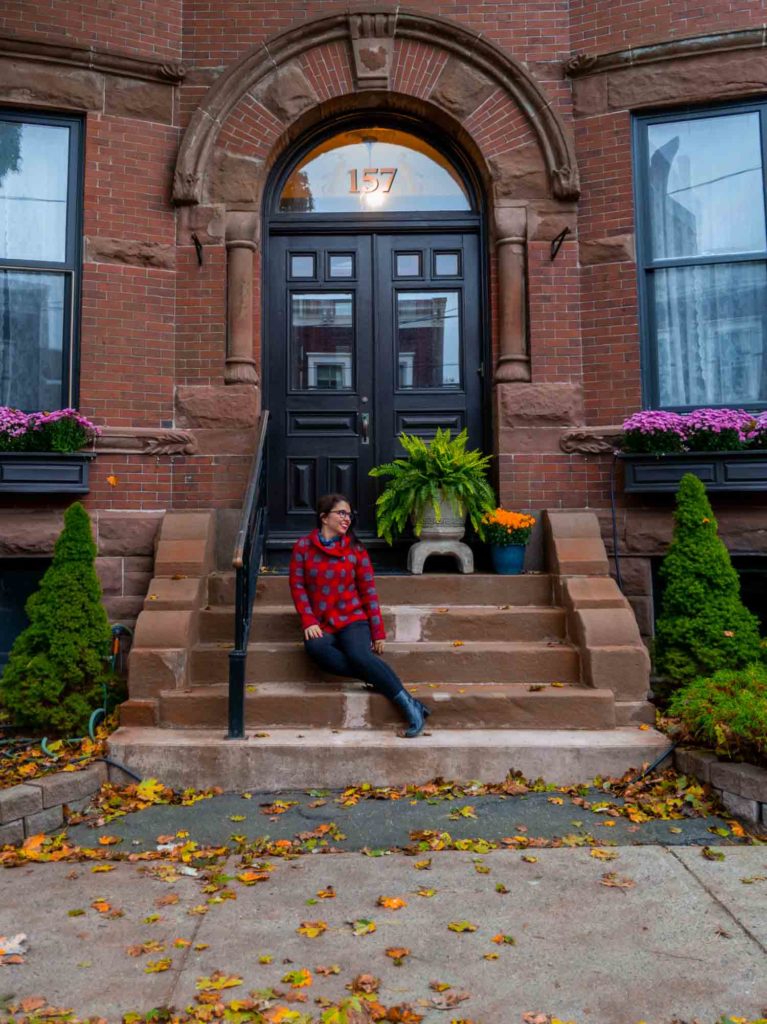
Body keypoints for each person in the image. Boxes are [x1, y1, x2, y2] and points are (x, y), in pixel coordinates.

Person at [288, 493, 430, 738]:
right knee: (316, 648)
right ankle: (378, 677)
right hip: (322, 622)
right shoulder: (304, 547)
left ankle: (410, 707)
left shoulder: (355, 550)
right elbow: (297, 586)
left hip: (353, 619)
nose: (347, 518)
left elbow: (368, 592)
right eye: (341, 513)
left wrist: (378, 632)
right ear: (324, 517)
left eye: (349, 514)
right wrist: (308, 620)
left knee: (358, 654)